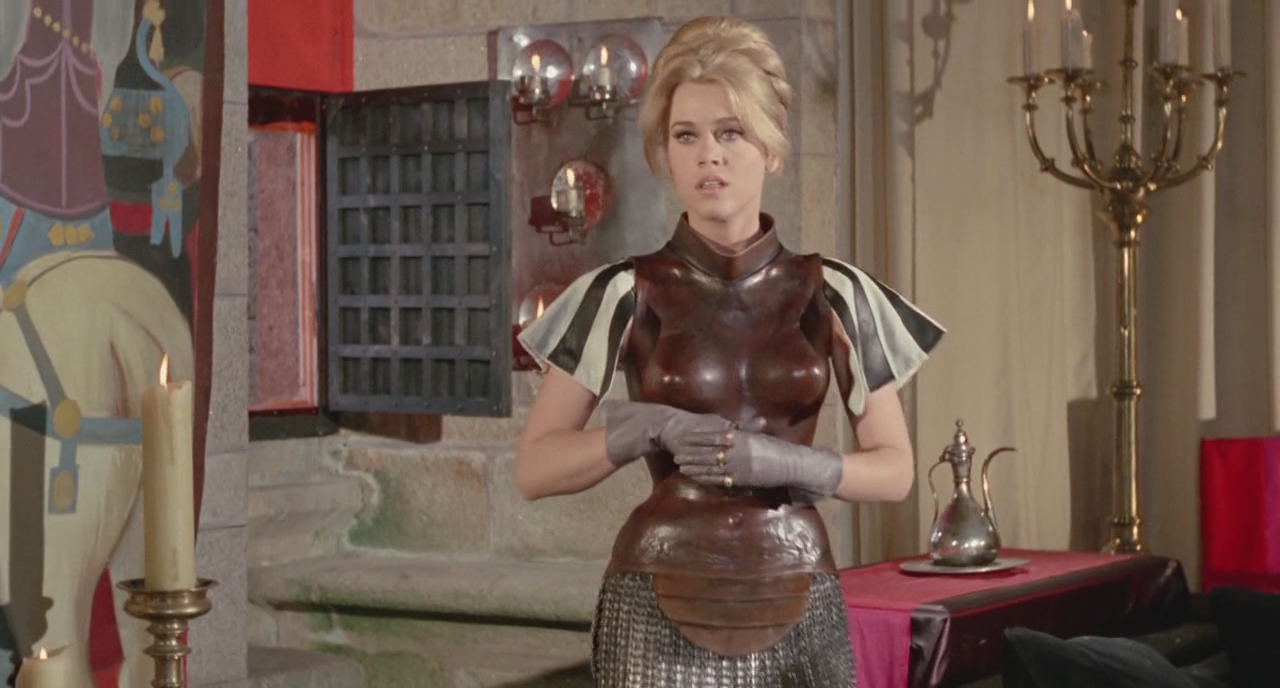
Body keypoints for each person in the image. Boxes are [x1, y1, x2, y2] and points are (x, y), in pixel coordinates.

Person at [516, 16, 944, 687]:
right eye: (686, 136)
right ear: (665, 153)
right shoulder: (621, 292)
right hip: (656, 599)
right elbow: (535, 468)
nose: (707, 156)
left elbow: (895, 472)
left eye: (730, 132)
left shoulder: (835, 293)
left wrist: (782, 462)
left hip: (799, 596)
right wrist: (646, 427)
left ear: (771, 148)